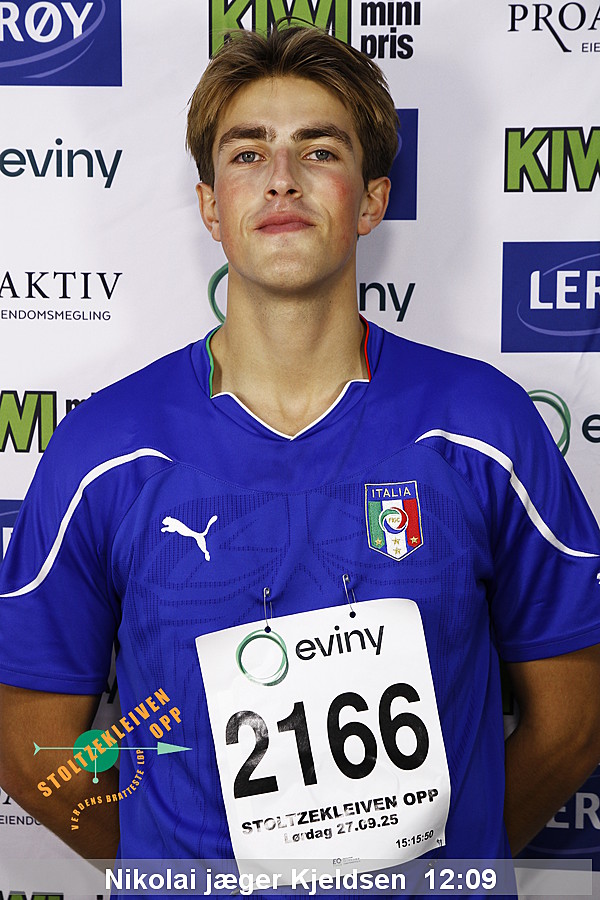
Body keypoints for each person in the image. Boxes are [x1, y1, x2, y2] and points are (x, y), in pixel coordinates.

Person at [1, 22, 600, 894]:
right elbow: (33, 747)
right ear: (211, 206)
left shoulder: (485, 427)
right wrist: (177, 870)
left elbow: (574, 723)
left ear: (371, 200)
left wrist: (448, 858)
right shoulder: (105, 450)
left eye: (320, 150)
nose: (281, 177)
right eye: (248, 154)